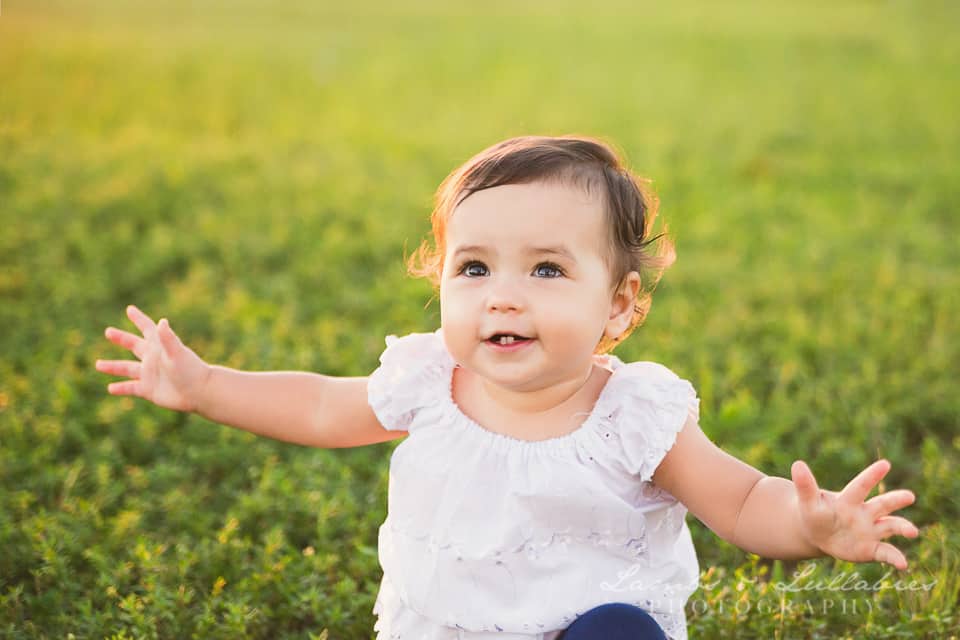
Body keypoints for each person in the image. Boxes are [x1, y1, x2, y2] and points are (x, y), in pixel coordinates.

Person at [95, 135, 920, 640]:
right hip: (446, 626)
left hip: (589, 628)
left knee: (618, 636)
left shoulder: (633, 416)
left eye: (548, 269)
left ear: (619, 307)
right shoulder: (428, 381)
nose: (504, 294)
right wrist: (204, 385)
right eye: (475, 266)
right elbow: (318, 405)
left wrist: (809, 525)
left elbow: (738, 502)